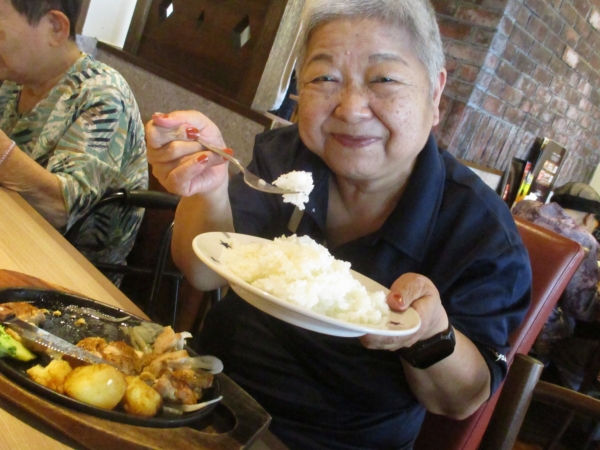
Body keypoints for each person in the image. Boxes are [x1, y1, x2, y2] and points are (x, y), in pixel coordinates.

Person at [145, 0, 531, 448]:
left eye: (383, 80)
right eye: (324, 78)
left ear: (434, 94)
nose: (350, 109)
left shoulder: (481, 233)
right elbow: (203, 270)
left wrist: (429, 334)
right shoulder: (288, 157)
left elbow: (461, 400)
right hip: (203, 398)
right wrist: (207, 187)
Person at [0, 0, 148, 278]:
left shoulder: (103, 95)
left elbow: (60, 208)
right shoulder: (14, 81)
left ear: (55, 27)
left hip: (67, 281)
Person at [513, 182, 600, 390]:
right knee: (579, 348)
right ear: (589, 217)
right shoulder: (583, 241)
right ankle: (556, 397)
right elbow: (581, 307)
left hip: (492, 302)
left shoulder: (523, 208)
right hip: (535, 331)